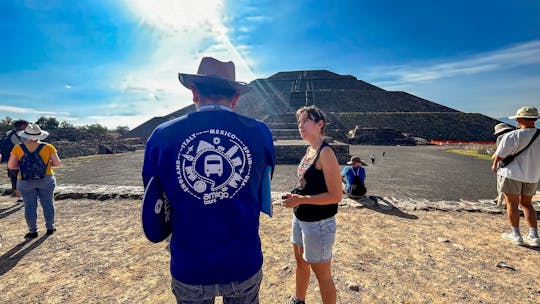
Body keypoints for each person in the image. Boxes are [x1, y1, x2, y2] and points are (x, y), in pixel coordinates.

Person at [142, 57, 275, 303]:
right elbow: (260, 186)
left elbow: (155, 200)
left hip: (189, 264)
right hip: (242, 260)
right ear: (235, 98)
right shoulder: (260, 133)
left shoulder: (162, 136)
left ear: (194, 93)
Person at [281, 105, 342, 304]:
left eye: (306, 120)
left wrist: (300, 200)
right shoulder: (309, 150)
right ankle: (298, 300)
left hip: (319, 223)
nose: (300, 125)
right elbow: (308, 184)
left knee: (322, 275)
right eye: (299, 122)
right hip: (300, 218)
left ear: (320, 124)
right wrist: (295, 195)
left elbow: (336, 196)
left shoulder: (326, 153)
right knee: (300, 262)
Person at [492, 106, 540, 247]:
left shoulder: (513, 135)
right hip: (532, 175)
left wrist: (495, 165)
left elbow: (500, 155)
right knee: (527, 204)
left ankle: (516, 235)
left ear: (519, 119)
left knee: (512, 204)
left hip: (511, 174)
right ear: (535, 119)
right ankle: (534, 235)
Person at [7, 123, 61, 238]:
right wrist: (47, 165)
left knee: (29, 205)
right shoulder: (48, 147)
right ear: (40, 135)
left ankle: (33, 231)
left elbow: (11, 166)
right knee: (48, 203)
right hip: (46, 179)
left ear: (26, 135)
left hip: (25, 181)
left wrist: (23, 168)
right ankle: (50, 228)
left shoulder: (18, 148)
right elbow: (57, 163)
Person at [1, 119, 29, 201]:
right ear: (22, 126)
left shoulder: (8, 133)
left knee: (14, 178)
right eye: (26, 125)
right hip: (20, 158)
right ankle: (24, 197)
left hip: (10, 158)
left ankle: (19, 196)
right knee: (23, 177)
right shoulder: (22, 134)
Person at [492, 123, 516, 207]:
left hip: (505, 163)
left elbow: (500, 152)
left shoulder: (501, 137)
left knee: (502, 184)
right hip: (519, 164)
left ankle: (500, 202)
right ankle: (504, 201)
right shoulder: (516, 136)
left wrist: (495, 163)